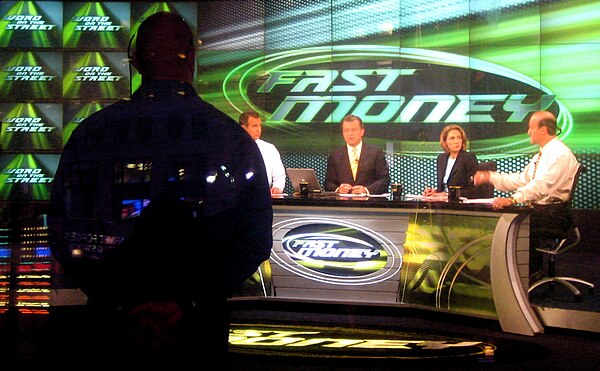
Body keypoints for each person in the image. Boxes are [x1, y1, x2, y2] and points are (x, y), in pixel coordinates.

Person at [47, 12, 273, 367]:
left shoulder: (91, 133)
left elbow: (65, 232)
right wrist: (188, 301)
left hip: (113, 326)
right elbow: (255, 239)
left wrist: (124, 303)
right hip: (198, 327)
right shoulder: (232, 138)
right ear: (193, 61)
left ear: (134, 60)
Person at [473, 110, 579, 277]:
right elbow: (523, 180)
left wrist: (513, 199)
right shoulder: (542, 154)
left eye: (531, 127)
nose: (528, 132)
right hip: (542, 212)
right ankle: (524, 274)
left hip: (553, 215)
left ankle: (520, 276)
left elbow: (541, 186)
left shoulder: (559, 154)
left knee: (509, 225)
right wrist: (491, 177)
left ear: (543, 129)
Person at [324, 114, 390, 195]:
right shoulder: (335, 155)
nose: (350, 133)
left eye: (353, 130)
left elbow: (384, 180)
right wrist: (338, 189)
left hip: (369, 204)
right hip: (343, 204)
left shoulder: (376, 152)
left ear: (362, 131)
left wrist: (366, 190)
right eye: (346, 130)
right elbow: (328, 183)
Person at [423, 124, 486, 199]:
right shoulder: (441, 159)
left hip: (461, 205)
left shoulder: (468, 158)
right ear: (445, 141)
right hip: (444, 203)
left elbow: (474, 190)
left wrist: (447, 194)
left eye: (459, 138)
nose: (456, 141)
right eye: (452, 138)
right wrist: (435, 192)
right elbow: (443, 188)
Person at [239, 110, 286, 195]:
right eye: (254, 126)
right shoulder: (231, 148)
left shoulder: (269, 148)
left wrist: (277, 187)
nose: (259, 130)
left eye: (259, 125)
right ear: (243, 128)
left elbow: (280, 176)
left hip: (263, 198)